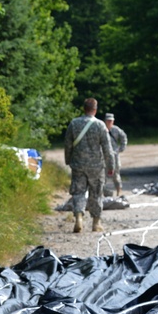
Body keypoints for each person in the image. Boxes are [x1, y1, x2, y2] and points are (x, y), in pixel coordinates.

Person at [64, 98, 116, 233]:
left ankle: (79, 218)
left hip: (78, 165)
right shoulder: (100, 125)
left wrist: (68, 160)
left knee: (78, 192)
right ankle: (96, 223)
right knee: (96, 193)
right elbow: (107, 148)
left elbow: (68, 145)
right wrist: (111, 166)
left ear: (84, 108)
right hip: (96, 166)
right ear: (95, 109)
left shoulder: (74, 124)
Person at [103, 112, 128, 198]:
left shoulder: (116, 130)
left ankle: (119, 190)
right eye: (108, 121)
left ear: (113, 121)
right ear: (105, 121)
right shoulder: (101, 129)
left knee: (116, 174)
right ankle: (105, 192)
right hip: (104, 156)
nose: (109, 122)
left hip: (114, 155)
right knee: (103, 175)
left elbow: (124, 137)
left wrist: (121, 148)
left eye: (111, 121)